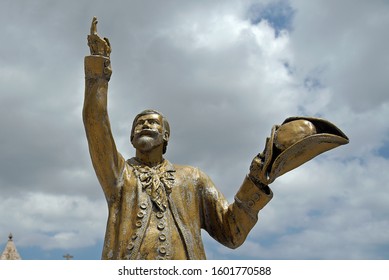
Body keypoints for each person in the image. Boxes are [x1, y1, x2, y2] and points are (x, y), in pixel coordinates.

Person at [82, 17, 348, 260]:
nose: (144, 125)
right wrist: (98, 70)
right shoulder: (120, 175)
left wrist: (257, 180)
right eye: (138, 124)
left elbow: (231, 231)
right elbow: (96, 124)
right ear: (130, 137)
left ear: (165, 136)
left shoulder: (193, 178)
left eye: (152, 122)